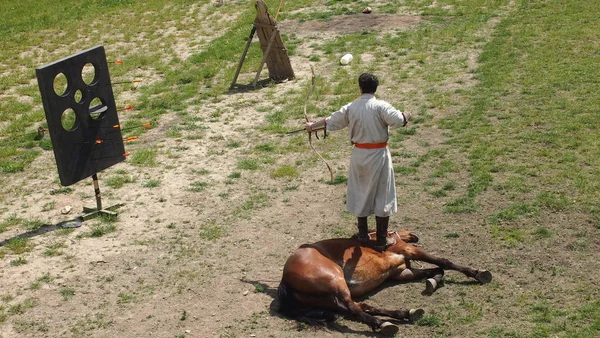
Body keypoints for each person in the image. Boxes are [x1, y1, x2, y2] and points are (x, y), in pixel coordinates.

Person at [306, 72, 411, 251]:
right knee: (382, 194)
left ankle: (363, 235)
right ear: (375, 88)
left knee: (361, 191)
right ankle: (381, 239)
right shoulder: (381, 106)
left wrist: (311, 126)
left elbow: (331, 121)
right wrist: (407, 114)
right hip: (379, 155)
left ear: (360, 88)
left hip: (360, 156)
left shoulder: (352, 106)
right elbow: (399, 120)